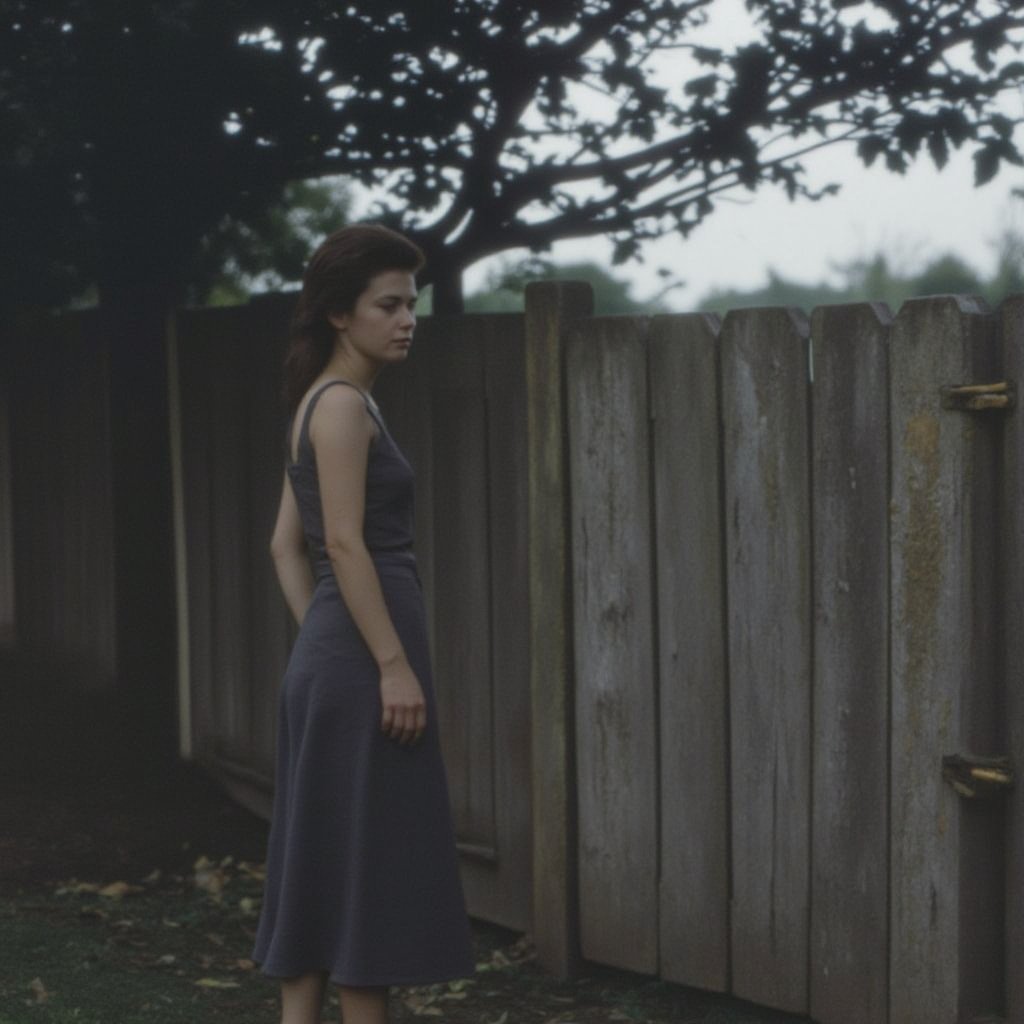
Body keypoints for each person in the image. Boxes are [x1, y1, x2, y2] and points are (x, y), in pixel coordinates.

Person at [251, 224, 474, 1024]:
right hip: (365, 666)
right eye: (389, 304)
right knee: (367, 883)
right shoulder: (342, 408)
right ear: (341, 314)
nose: (407, 317)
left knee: (320, 869)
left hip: (334, 661)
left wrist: (329, 638)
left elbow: (285, 546)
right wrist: (385, 662)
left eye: (411, 302)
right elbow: (337, 540)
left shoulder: (318, 400)